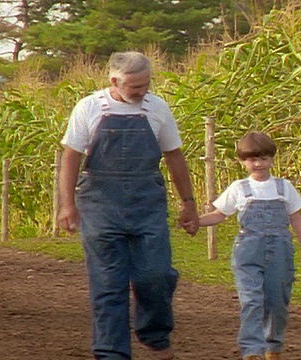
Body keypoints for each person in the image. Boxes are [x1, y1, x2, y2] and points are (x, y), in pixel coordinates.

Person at [58, 51, 200, 360]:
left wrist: (188, 203)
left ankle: (154, 333)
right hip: (99, 202)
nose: (141, 92)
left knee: (157, 274)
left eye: (146, 84)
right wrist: (67, 204)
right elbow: (71, 156)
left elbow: (174, 156)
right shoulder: (89, 107)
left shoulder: (157, 108)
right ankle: (111, 353)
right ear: (114, 80)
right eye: (135, 87)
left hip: (147, 201)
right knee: (109, 282)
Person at [184, 131, 301, 360]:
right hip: (247, 250)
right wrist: (195, 222)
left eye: (263, 158)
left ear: (272, 159)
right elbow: (219, 214)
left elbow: (296, 217)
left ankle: (273, 346)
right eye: (252, 159)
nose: (258, 164)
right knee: (252, 300)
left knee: (277, 303)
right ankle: (252, 351)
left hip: (280, 250)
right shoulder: (239, 188)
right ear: (243, 162)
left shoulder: (284, 188)